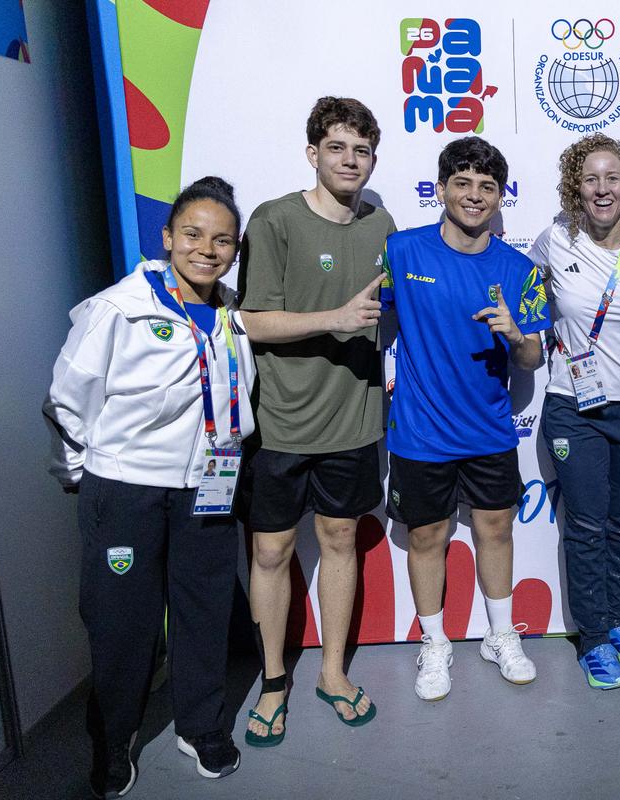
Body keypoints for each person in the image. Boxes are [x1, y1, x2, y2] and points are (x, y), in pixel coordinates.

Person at [44, 177, 254, 796]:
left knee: (204, 612)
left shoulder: (229, 313)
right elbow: (66, 401)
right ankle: (113, 742)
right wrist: (81, 476)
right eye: (192, 234)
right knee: (121, 625)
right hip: (126, 492)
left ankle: (201, 726)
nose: (207, 250)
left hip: (207, 487)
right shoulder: (117, 308)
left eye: (222, 240)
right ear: (167, 238)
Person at [239, 97, 394, 745]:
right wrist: (332, 319)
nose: (350, 160)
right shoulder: (273, 219)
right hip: (278, 424)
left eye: (361, 150)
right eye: (337, 148)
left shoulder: (382, 224)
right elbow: (251, 321)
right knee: (271, 550)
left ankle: (332, 672)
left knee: (339, 542)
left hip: (353, 424)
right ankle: (275, 680)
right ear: (313, 153)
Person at [381, 136, 550, 701]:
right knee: (427, 535)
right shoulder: (402, 252)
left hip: (488, 430)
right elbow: (368, 316)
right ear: (442, 188)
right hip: (421, 431)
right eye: (463, 183)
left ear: (499, 196)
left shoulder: (519, 270)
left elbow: (531, 358)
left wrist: (516, 336)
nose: (475, 195)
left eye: (487, 186)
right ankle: (435, 643)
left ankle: (501, 634)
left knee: (494, 529)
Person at [528, 134, 620, 689]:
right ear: (575, 187)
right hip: (574, 406)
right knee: (585, 525)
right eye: (591, 179)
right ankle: (592, 636)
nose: (603, 188)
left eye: (613, 178)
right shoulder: (552, 241)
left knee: (619, 522)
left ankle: (615, 620)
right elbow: (525, 295)